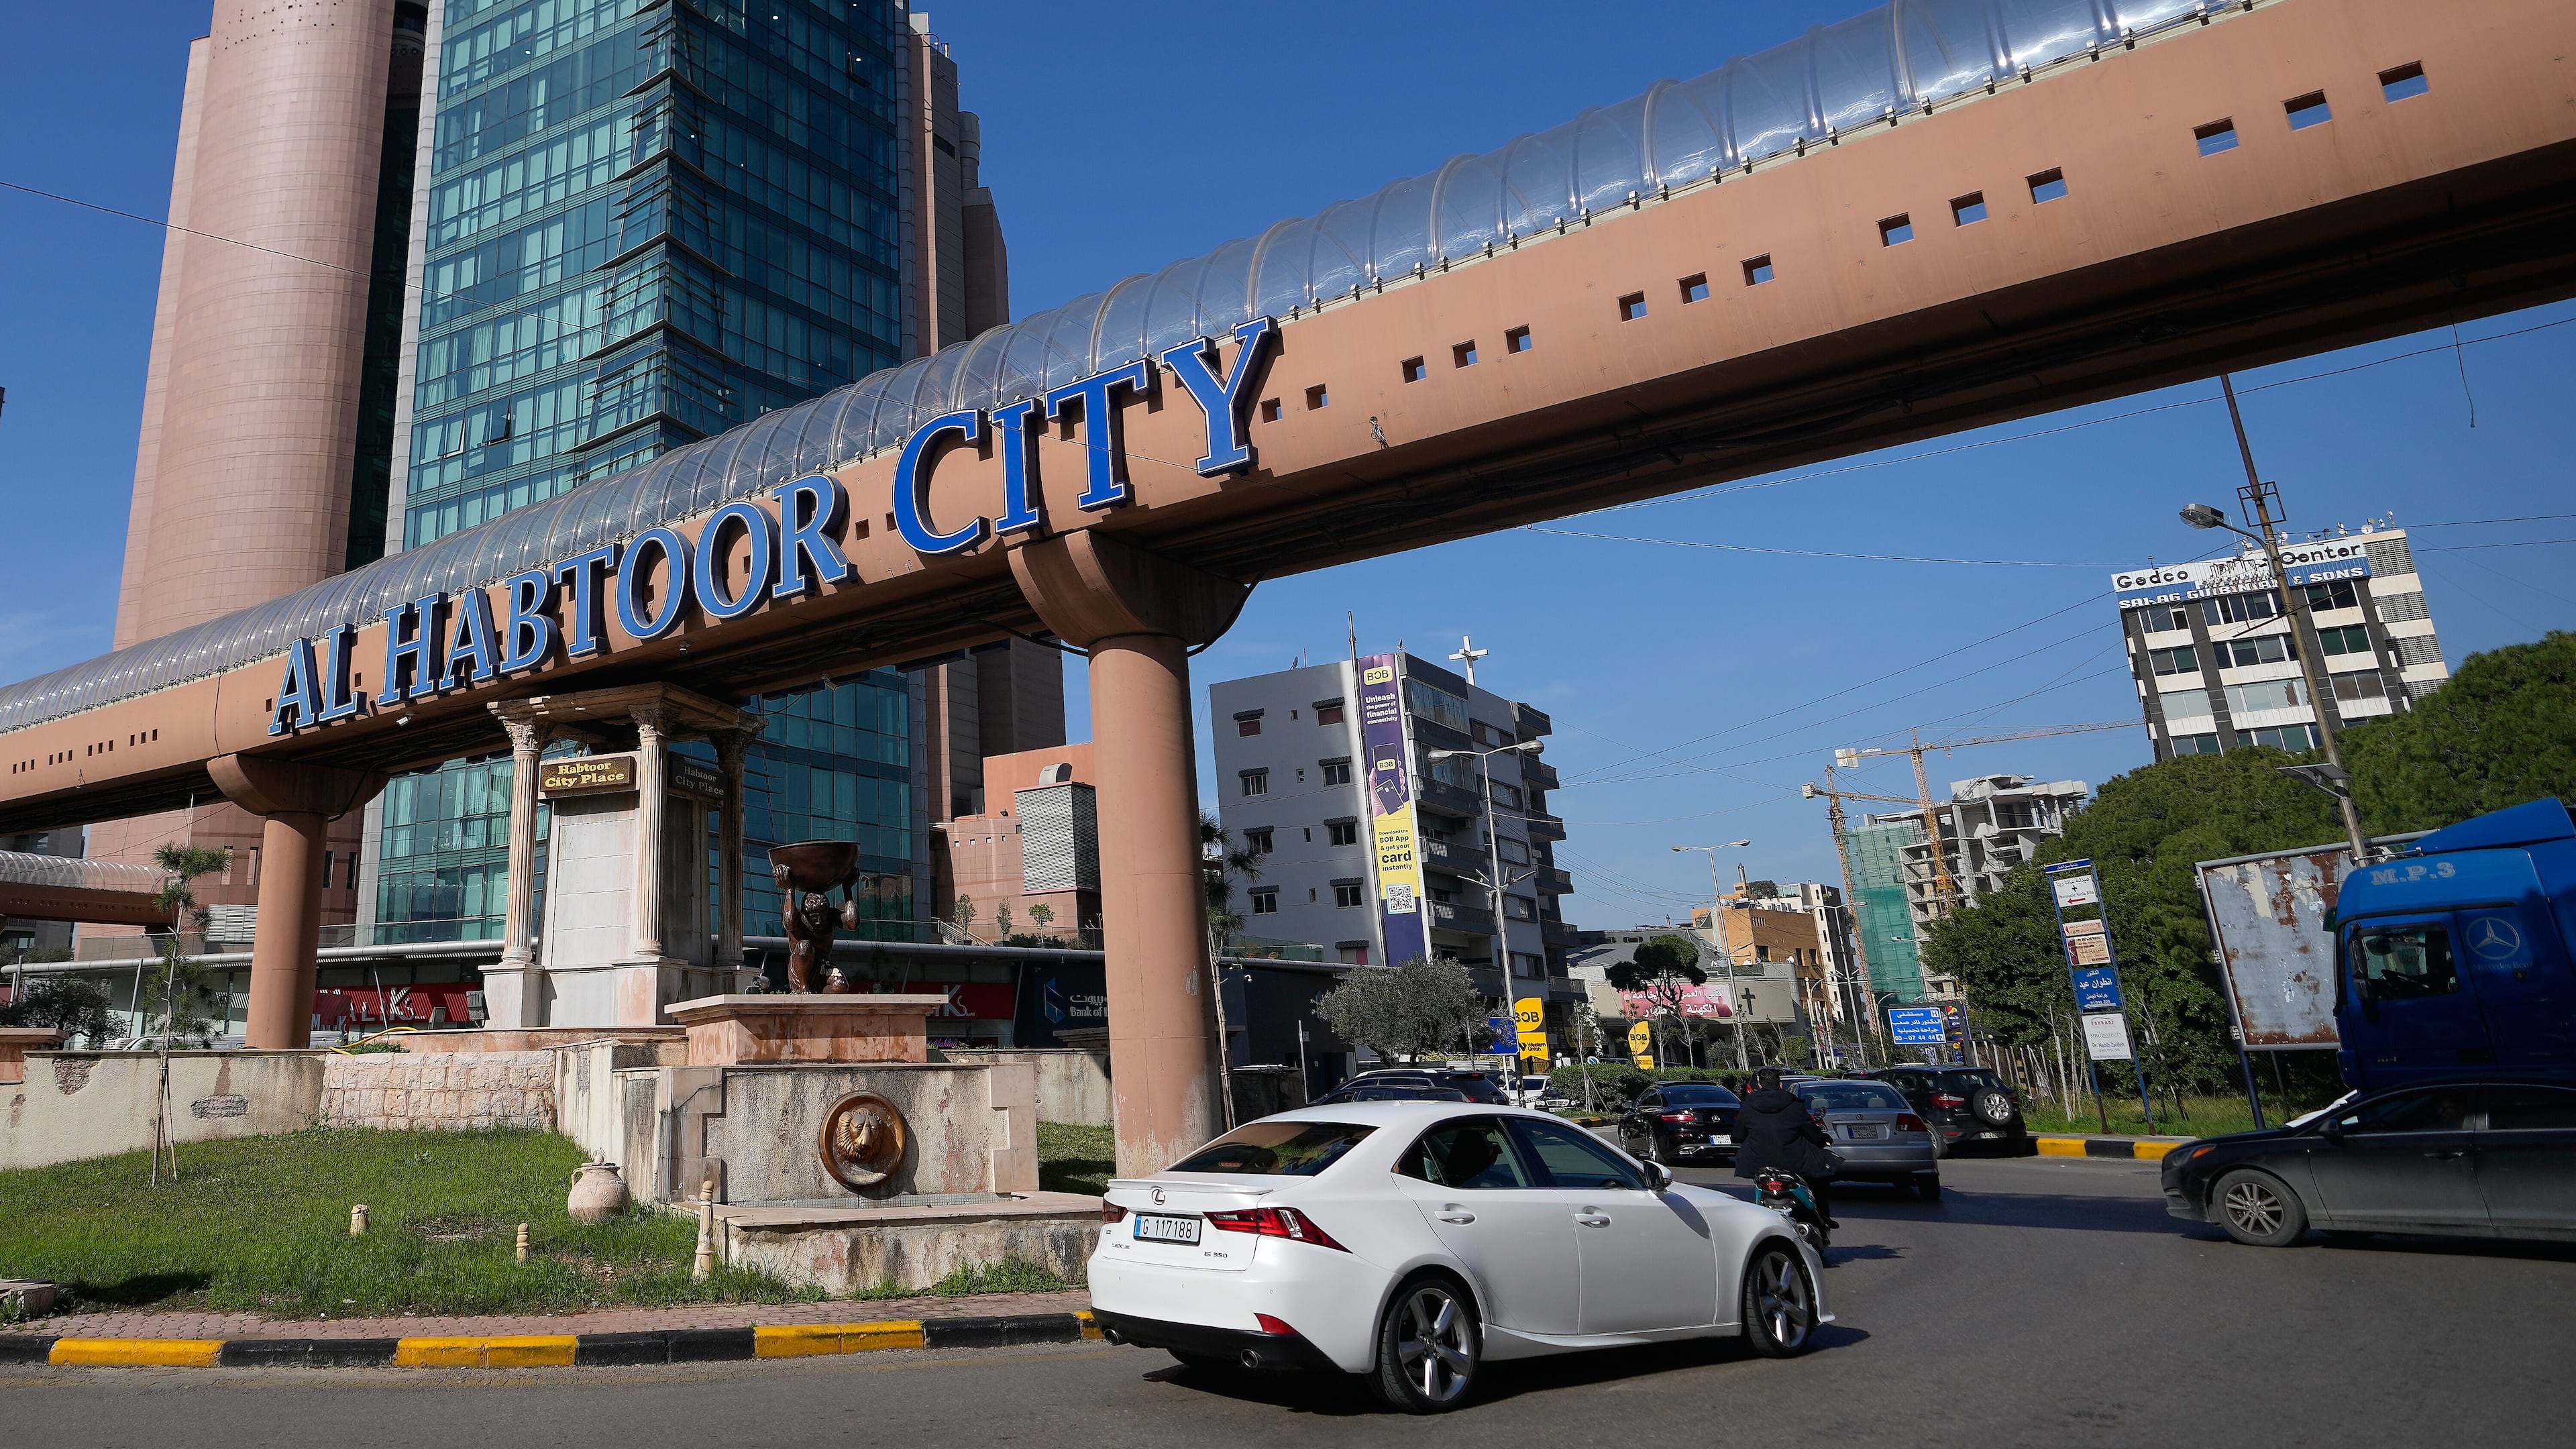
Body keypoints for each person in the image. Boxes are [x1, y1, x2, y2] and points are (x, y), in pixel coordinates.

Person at [1732, 1065, 1839, 1228]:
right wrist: (1823, 1139)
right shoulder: (1794, 1104)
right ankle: (1823, 1217)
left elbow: (1738, 1135)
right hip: (1794, 1160)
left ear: (1759, 1085)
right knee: (1821, 1177)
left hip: (1757, 1163)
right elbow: (1812, 1133)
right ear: (1780, 1084)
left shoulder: (1747, 1107)